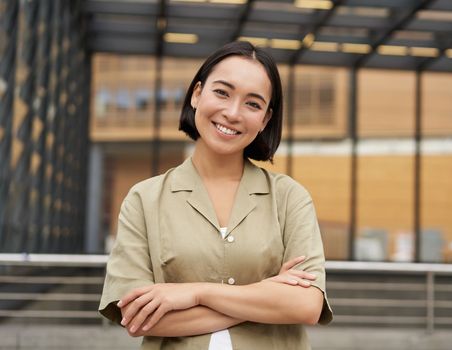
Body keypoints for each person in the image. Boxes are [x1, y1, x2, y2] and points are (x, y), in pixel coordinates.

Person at [98, 41, 332, 350]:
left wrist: (195, 293)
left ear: (265, 119)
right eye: (222, 93)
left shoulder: (289, 198)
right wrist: (265, 294)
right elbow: (139, 316)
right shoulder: (145, 199)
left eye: (253, 104)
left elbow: (305, 306)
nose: (232, 113)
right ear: (197, 94)